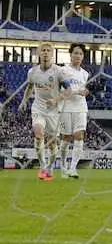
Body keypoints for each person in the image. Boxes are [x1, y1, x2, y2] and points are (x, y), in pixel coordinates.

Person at [23, 41, 62, 181]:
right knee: (38, 134)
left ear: (52, 54)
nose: (45, 52)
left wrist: (56, 99)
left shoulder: (59, 71)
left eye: (48, 50)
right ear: (39, 53)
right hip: (38, 107)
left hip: (53, 111)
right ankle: (42, 166)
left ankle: (50, 167)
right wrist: (24, 101)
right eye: (43, 50)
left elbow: (68, 90)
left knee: (52, 144)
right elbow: (29, 87)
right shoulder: (32, 72)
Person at [57, 43, 91, 179]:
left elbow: (83, 89)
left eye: (80, 54)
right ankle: (63, 166)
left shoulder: (85, 74)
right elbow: (62, 90)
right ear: (70, 54)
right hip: (66, 108)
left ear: (83, 57)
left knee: (79, 136)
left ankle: (73, 169)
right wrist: (77, 91)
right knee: (65, 138)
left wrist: (85, 91)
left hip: (81, 107)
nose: (78, 56)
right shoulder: (63, 71)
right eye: (75, 53)